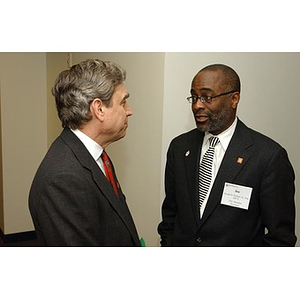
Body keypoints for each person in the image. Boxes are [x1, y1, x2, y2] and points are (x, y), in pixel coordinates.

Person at [158, 63, 296, 246]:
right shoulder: (179, 147)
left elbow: (280, 238)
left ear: (234, 99)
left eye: (207, 97)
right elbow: (170, 216)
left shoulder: (268, 157)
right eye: (194, 97)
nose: (197, 105)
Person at [29, 59, 141, 246]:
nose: (129, 111)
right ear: (99, 109)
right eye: (123, 102)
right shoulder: (63, 179)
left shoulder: (95, 155)